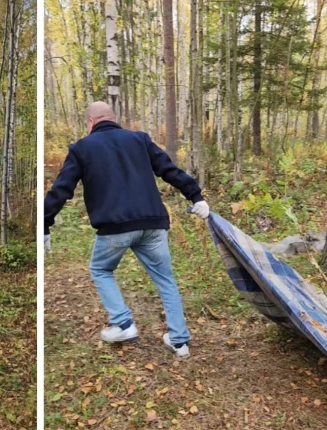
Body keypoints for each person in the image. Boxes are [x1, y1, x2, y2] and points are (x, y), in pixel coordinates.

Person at [44, 101, 210, 358]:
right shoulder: (139, 140)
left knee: (100, 269)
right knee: (165, 279)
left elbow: (62, 189)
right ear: (113, 118)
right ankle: (179, 342)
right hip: (153, 224)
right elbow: (169, 170)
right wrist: (196, 196)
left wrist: (44, 223)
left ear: (90, 122)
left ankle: (123, 323)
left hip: (114, 227)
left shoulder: (82, 148)